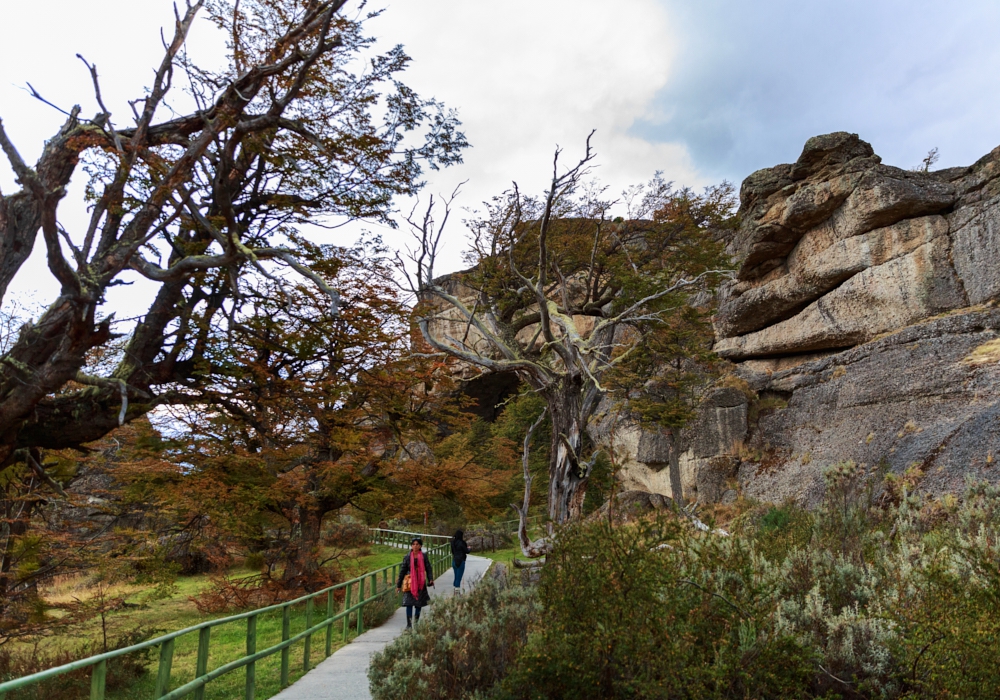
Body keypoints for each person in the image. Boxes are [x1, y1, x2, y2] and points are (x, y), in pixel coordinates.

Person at [396, 537, 434, 628]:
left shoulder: (423, 556)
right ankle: (409, 624)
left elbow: (428, 568)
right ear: (411, 546)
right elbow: (402, 571)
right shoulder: (407, 557)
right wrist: (398, 584)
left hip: (420, 583)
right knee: (409, 603)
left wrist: (430, 579)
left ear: (420, 546)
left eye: (417, 544)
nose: (415, 546)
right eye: (413, 544)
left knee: (418, 604)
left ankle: (416, 623)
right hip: (410, 583)